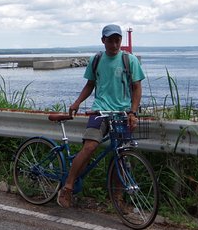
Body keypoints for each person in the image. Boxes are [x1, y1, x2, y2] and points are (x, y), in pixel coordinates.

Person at [56, 24, 145, 208]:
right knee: (89, 147)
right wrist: (77, 102)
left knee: (121, 157)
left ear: (121, 40)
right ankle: (68, 187)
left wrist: (133, 113)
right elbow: (90, 84)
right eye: (110, 40)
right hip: (99, 111)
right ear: (103, 40)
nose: (114, 44)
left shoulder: (130, 60)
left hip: (121, 114)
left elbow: (137, 88)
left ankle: (118, 199)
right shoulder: (96, 59)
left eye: (117, 40)